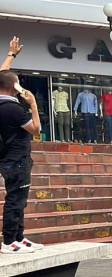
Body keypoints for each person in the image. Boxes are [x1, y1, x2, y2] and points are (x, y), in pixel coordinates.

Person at [0, 70, 43, 254]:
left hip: (8, 158)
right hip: (18, 159)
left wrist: (11, 55)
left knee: (19, 199)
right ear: (14, 86)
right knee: (15, 200)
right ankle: (9, 241)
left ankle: (18, 237)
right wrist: (33, 105)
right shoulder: (14, 109)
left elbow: (3, 74)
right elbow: (36, 129)